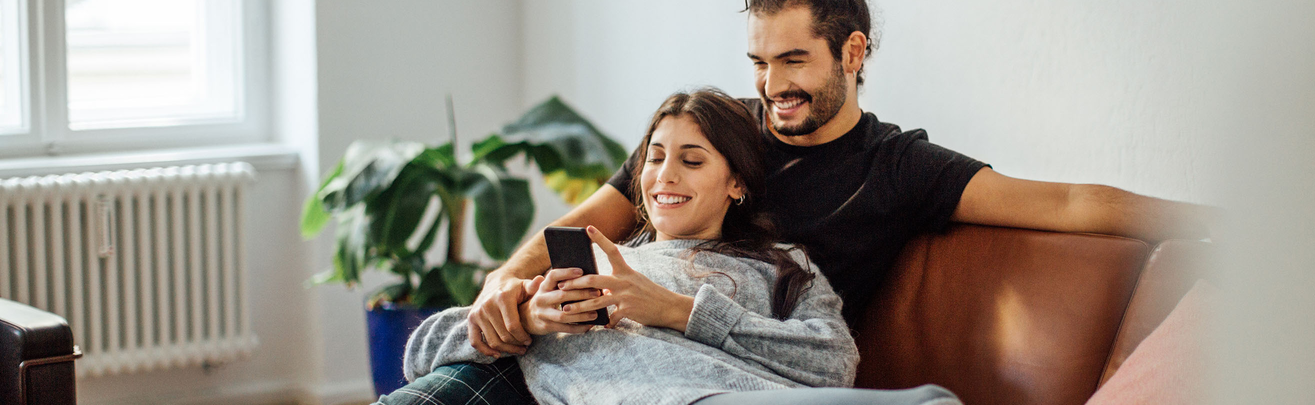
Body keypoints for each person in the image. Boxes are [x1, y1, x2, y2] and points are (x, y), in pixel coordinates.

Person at [430, 0, 1217, 403]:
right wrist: (504, 286)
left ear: (853, 52)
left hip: (741, 372)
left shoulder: (899, 166)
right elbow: (577, 227)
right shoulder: (713, 135)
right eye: (760, 61)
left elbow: (1073, 202)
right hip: (598, 361)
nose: (772, 86)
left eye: (794, 60)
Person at [378, 89, 962, 405]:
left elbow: (834, 363)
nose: (665, 177)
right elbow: (424, 352)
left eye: (691, 160)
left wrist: (680, 312)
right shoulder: (601, 258)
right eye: (655, 159)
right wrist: (524, 316)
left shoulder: (782, 266)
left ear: (736, 183)